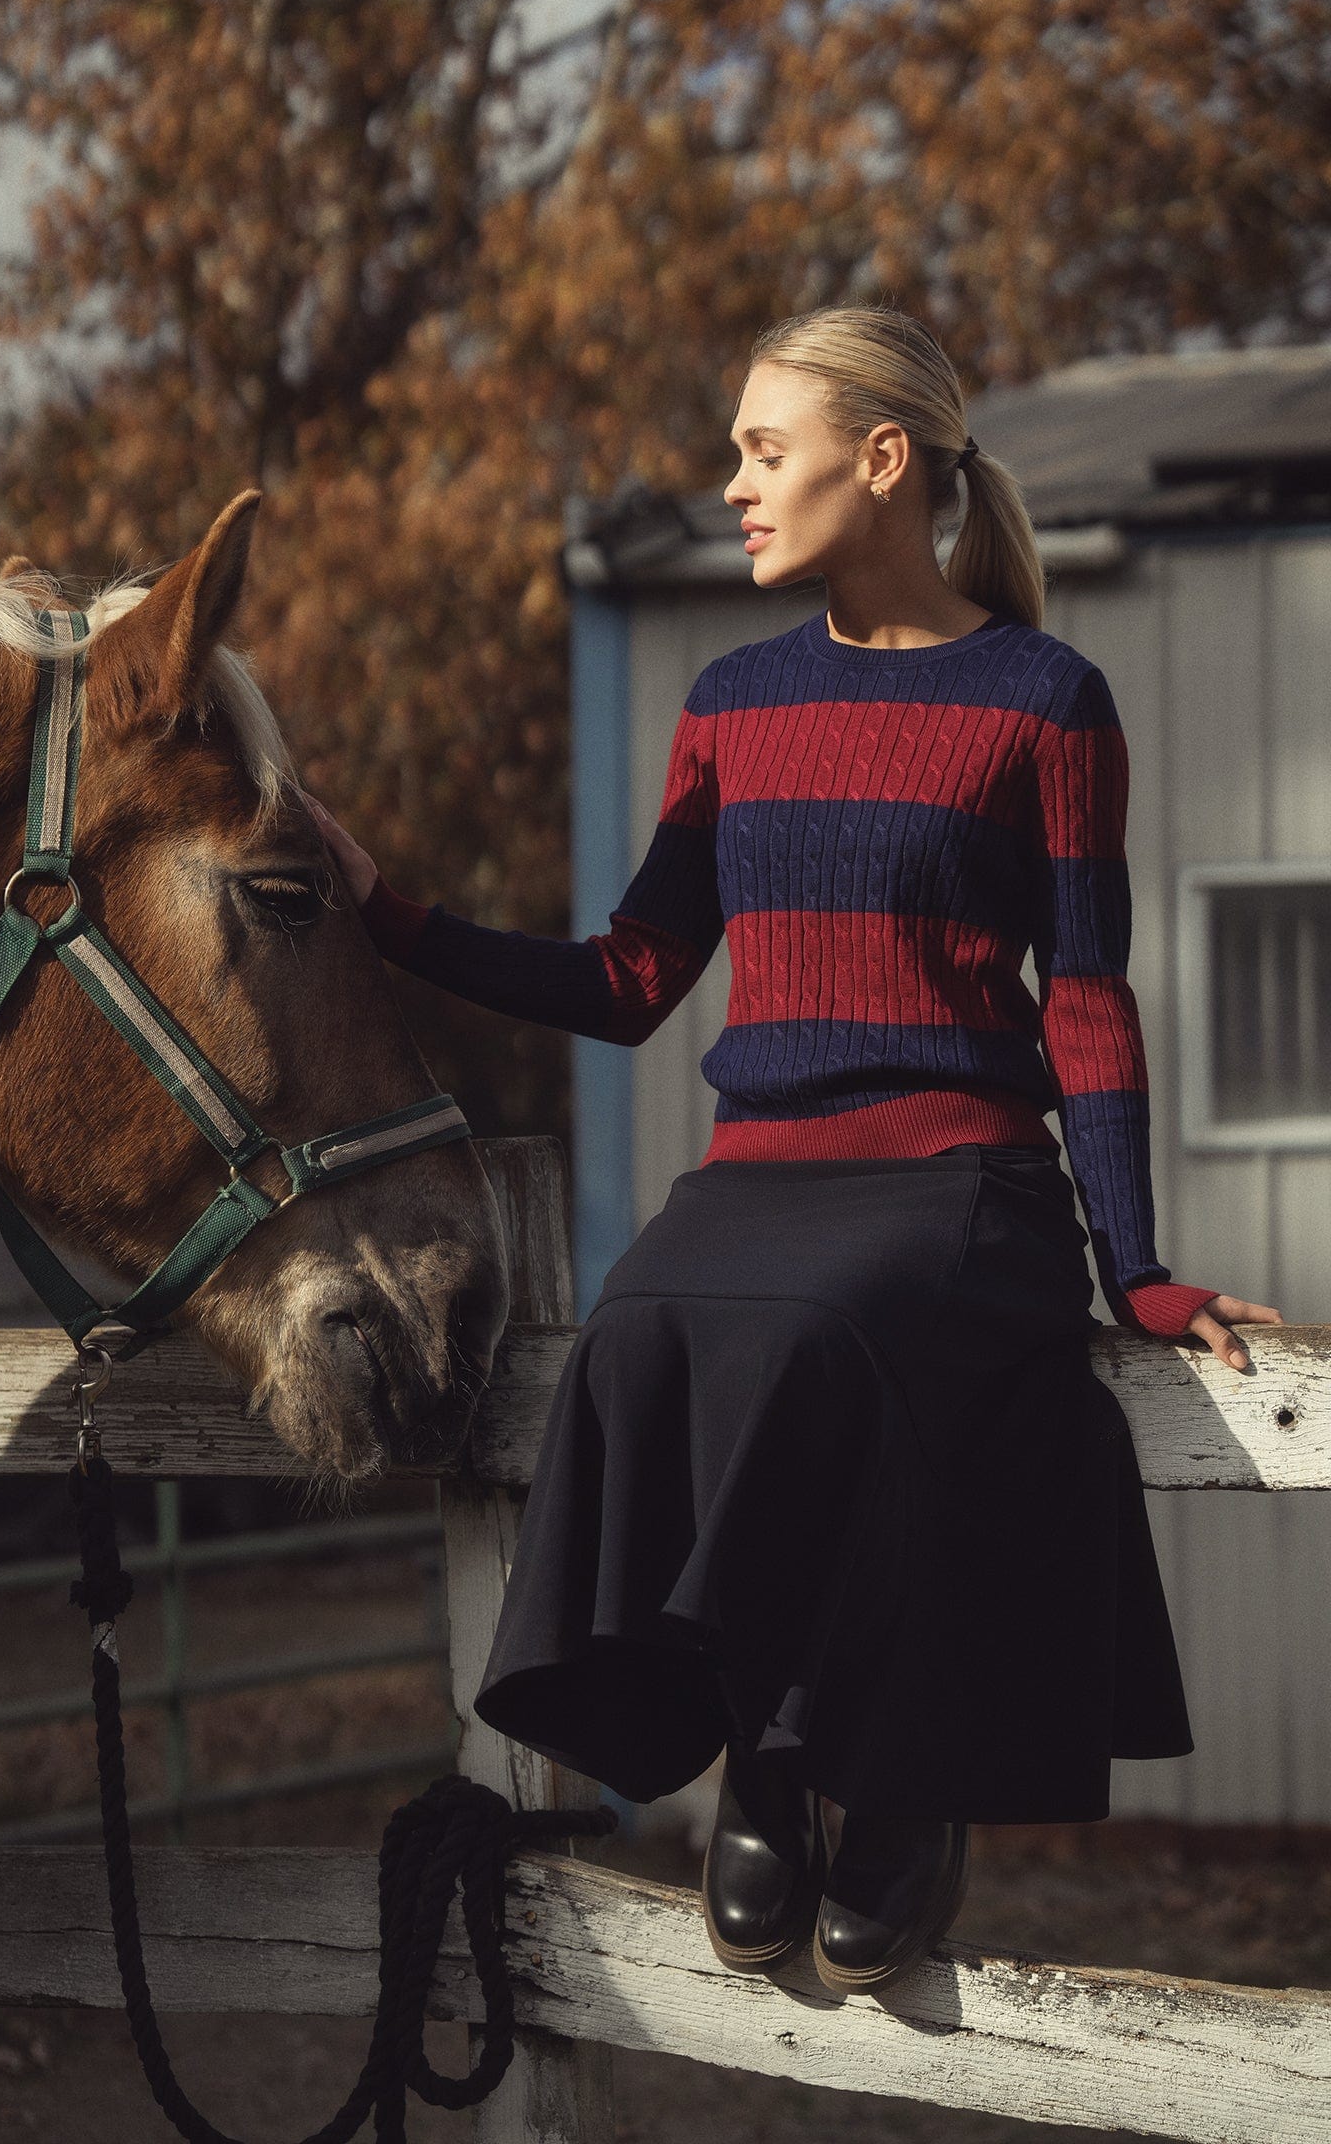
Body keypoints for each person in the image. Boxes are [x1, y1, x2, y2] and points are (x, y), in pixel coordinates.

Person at [305, 303, 1281, 1999]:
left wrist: (1135, 1261)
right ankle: (755, 1739)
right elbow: (625, 980)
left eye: (765, 449)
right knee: (640, 1330)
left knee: (826, 1335)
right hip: (761, 1176)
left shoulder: (1046, 700)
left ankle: (895, 1774)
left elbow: (1090, 1000)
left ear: (882, 460)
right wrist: (391, 915)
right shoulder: (733, 703)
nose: (734, 485)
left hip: (960, 1180)